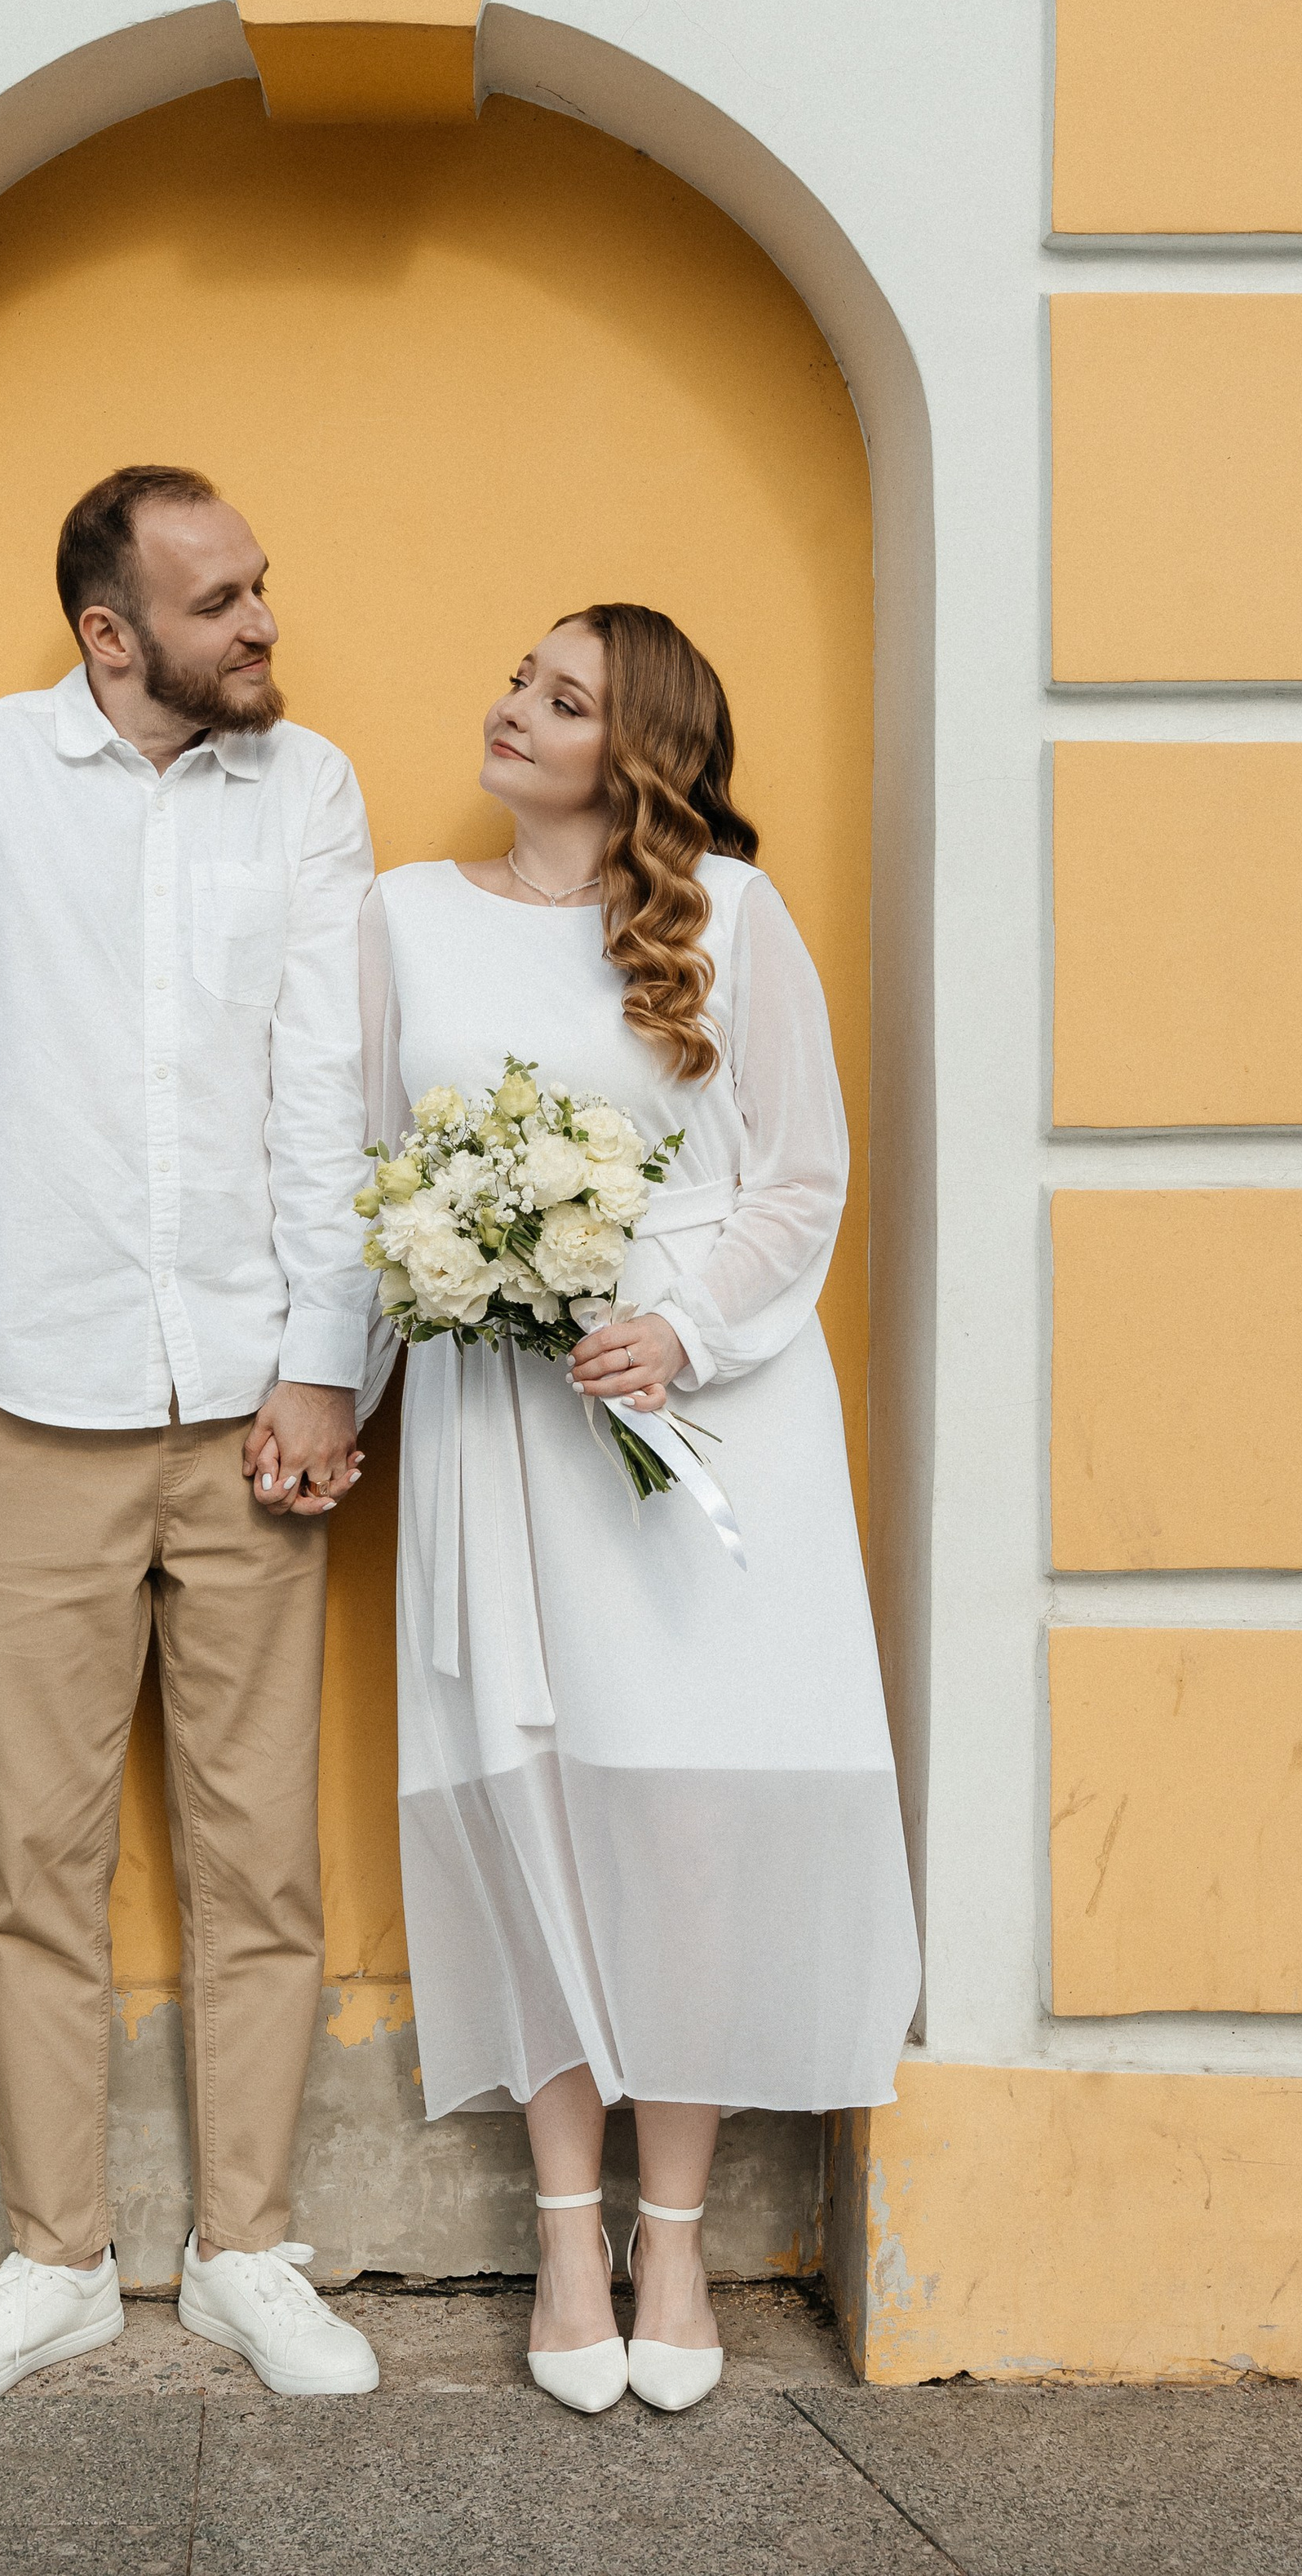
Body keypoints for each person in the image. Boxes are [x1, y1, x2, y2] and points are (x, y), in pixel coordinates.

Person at [0, 463, 381, 2401]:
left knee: (259, 1864)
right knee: (36, 1860)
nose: (258, 624)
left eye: (259, 584)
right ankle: (52, 2263)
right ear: (109, 633)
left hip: (253, 1400)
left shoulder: (303, 789)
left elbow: (329, 1092)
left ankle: (247, 2248)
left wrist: (331, 1356)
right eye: (219, 599)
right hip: (27, 1391)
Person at [361, 603, 919, 2417]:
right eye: (518, 674)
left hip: (701, 1428)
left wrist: (676, 1325)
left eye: (563, 697)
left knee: (677, 1821)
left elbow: (798, 1174)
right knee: (526, 1806)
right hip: (494, 1431)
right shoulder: (400, 922)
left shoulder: (731, 923)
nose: (510, 706)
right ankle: (558, 2226)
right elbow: (363, 1183)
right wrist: (350, 1383)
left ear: (636, 751)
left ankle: (667, 2233)